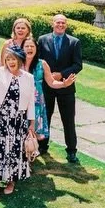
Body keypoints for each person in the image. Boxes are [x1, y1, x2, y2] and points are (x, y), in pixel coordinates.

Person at [0, 47, 37, 195]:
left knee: (14, 150)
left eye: (13, 59)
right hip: (0, 118)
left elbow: (31, 103)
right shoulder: (0, 72)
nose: (10, 62)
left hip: (17, 121)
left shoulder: (28, 77)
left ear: (19, 60)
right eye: (8, 59)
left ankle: (10, 182)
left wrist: (31, 124)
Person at [36, 14, 82, 164]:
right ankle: (42, 146)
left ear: (66, 25)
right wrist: (48, 75)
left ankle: (71, 151)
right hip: (46, 87)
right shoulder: (42, 40)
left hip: (66, 87)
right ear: (53, 24)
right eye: (58, 22)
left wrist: (61, 74)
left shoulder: (74, 42)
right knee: (45, 117)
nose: (60, 25)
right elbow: (38, 61)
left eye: (63, 23)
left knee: (68, 120)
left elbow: (77, 65)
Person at [21, 36, 55, 154]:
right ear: (22, 48)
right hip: (20, 101)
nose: (29, 48)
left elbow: (51, 82)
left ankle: (30, 152)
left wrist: (64, 83)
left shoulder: (42, 64)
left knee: (33, 129)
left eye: (32, 46)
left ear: (36, 49)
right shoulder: (17, 62)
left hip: (36, 102)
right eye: (27, 46)